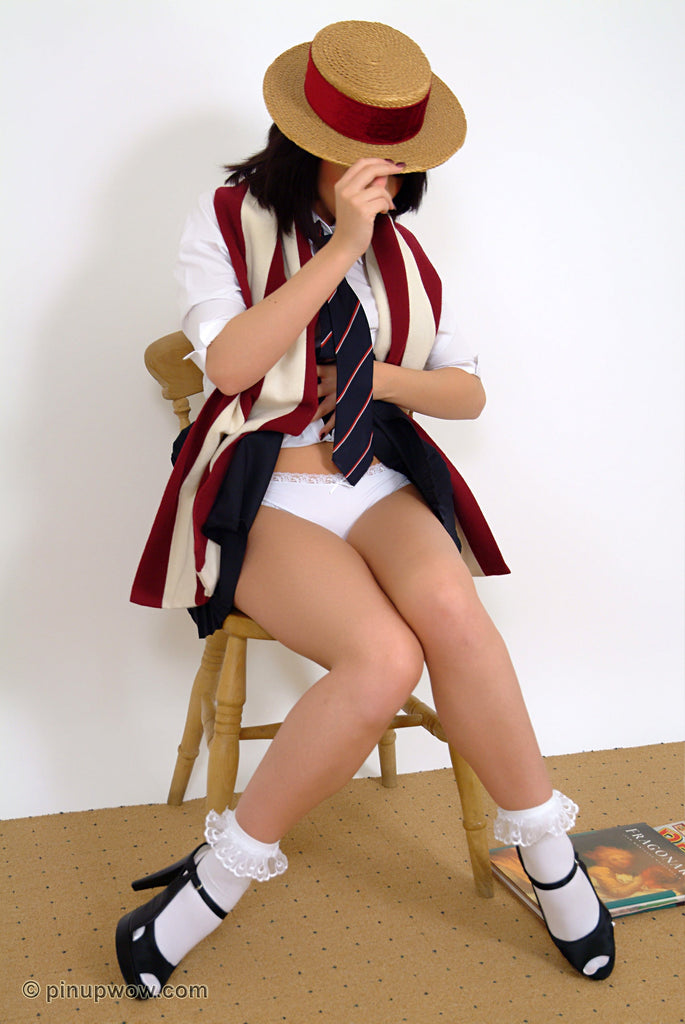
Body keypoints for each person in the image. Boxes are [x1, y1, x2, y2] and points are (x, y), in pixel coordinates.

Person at [118, 20, 616, 997]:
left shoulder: (407, 256)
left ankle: (549, 856)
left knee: (454, 617)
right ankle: (211, 886)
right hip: (265, 483)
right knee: (384, 660)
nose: (384, 174)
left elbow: (466, 391)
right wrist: (340, 244)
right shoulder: (223, 219)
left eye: (398, 157)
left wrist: (377, 378)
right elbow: (232, 366)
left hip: (371, 479)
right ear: (308, 138)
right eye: (367, 152)